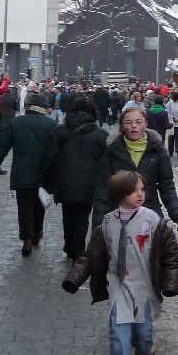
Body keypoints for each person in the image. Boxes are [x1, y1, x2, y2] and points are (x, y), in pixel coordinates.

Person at [63, 171, 178, 355]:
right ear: (119, 195)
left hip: (144, 286)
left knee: (143, 333)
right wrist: (74, 278)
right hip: (119, 285)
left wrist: (170, 283)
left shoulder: (152, 220)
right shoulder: (108, 223)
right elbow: (91, 255)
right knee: (118, 335)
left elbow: (172, 253)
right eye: (133, 191)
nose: (140, 194)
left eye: (142, 189)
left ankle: (146, 348)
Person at [91, 106, 178, 231]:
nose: (134, 126)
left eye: (138, 122)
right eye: (129, 122)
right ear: (122, 126)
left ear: (145, 124)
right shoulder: (112, 151)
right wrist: (99, 223)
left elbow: (166, 185)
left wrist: (176, 211)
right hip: (119, 215)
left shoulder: (157, 150)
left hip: (150, 211)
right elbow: (102, 189)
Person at [0, 92, 57, 255]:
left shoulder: (16, 122)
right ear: (44, 107)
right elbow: (56, 151)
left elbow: (1, 146)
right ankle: (37, 233)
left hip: (21, 172)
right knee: (39, 204)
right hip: (43, 174)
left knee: (24, 206)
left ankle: (27, 238)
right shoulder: (51, 124)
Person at [42, 97, 109, 260]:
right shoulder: (101, 134)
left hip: (64, 184)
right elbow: (106, 163)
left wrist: (46, 182)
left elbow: (49, 157)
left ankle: (69, 246)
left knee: (68, 215)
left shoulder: (59, 130)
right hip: (89, 185)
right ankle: (78, 249)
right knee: (82, 217)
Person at [166, 92, 178, 158]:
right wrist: (172, 118)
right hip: (172, 122)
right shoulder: (170, 102)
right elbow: (167, 111)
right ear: (176, 97)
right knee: (171, 137)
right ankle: (170, 152)